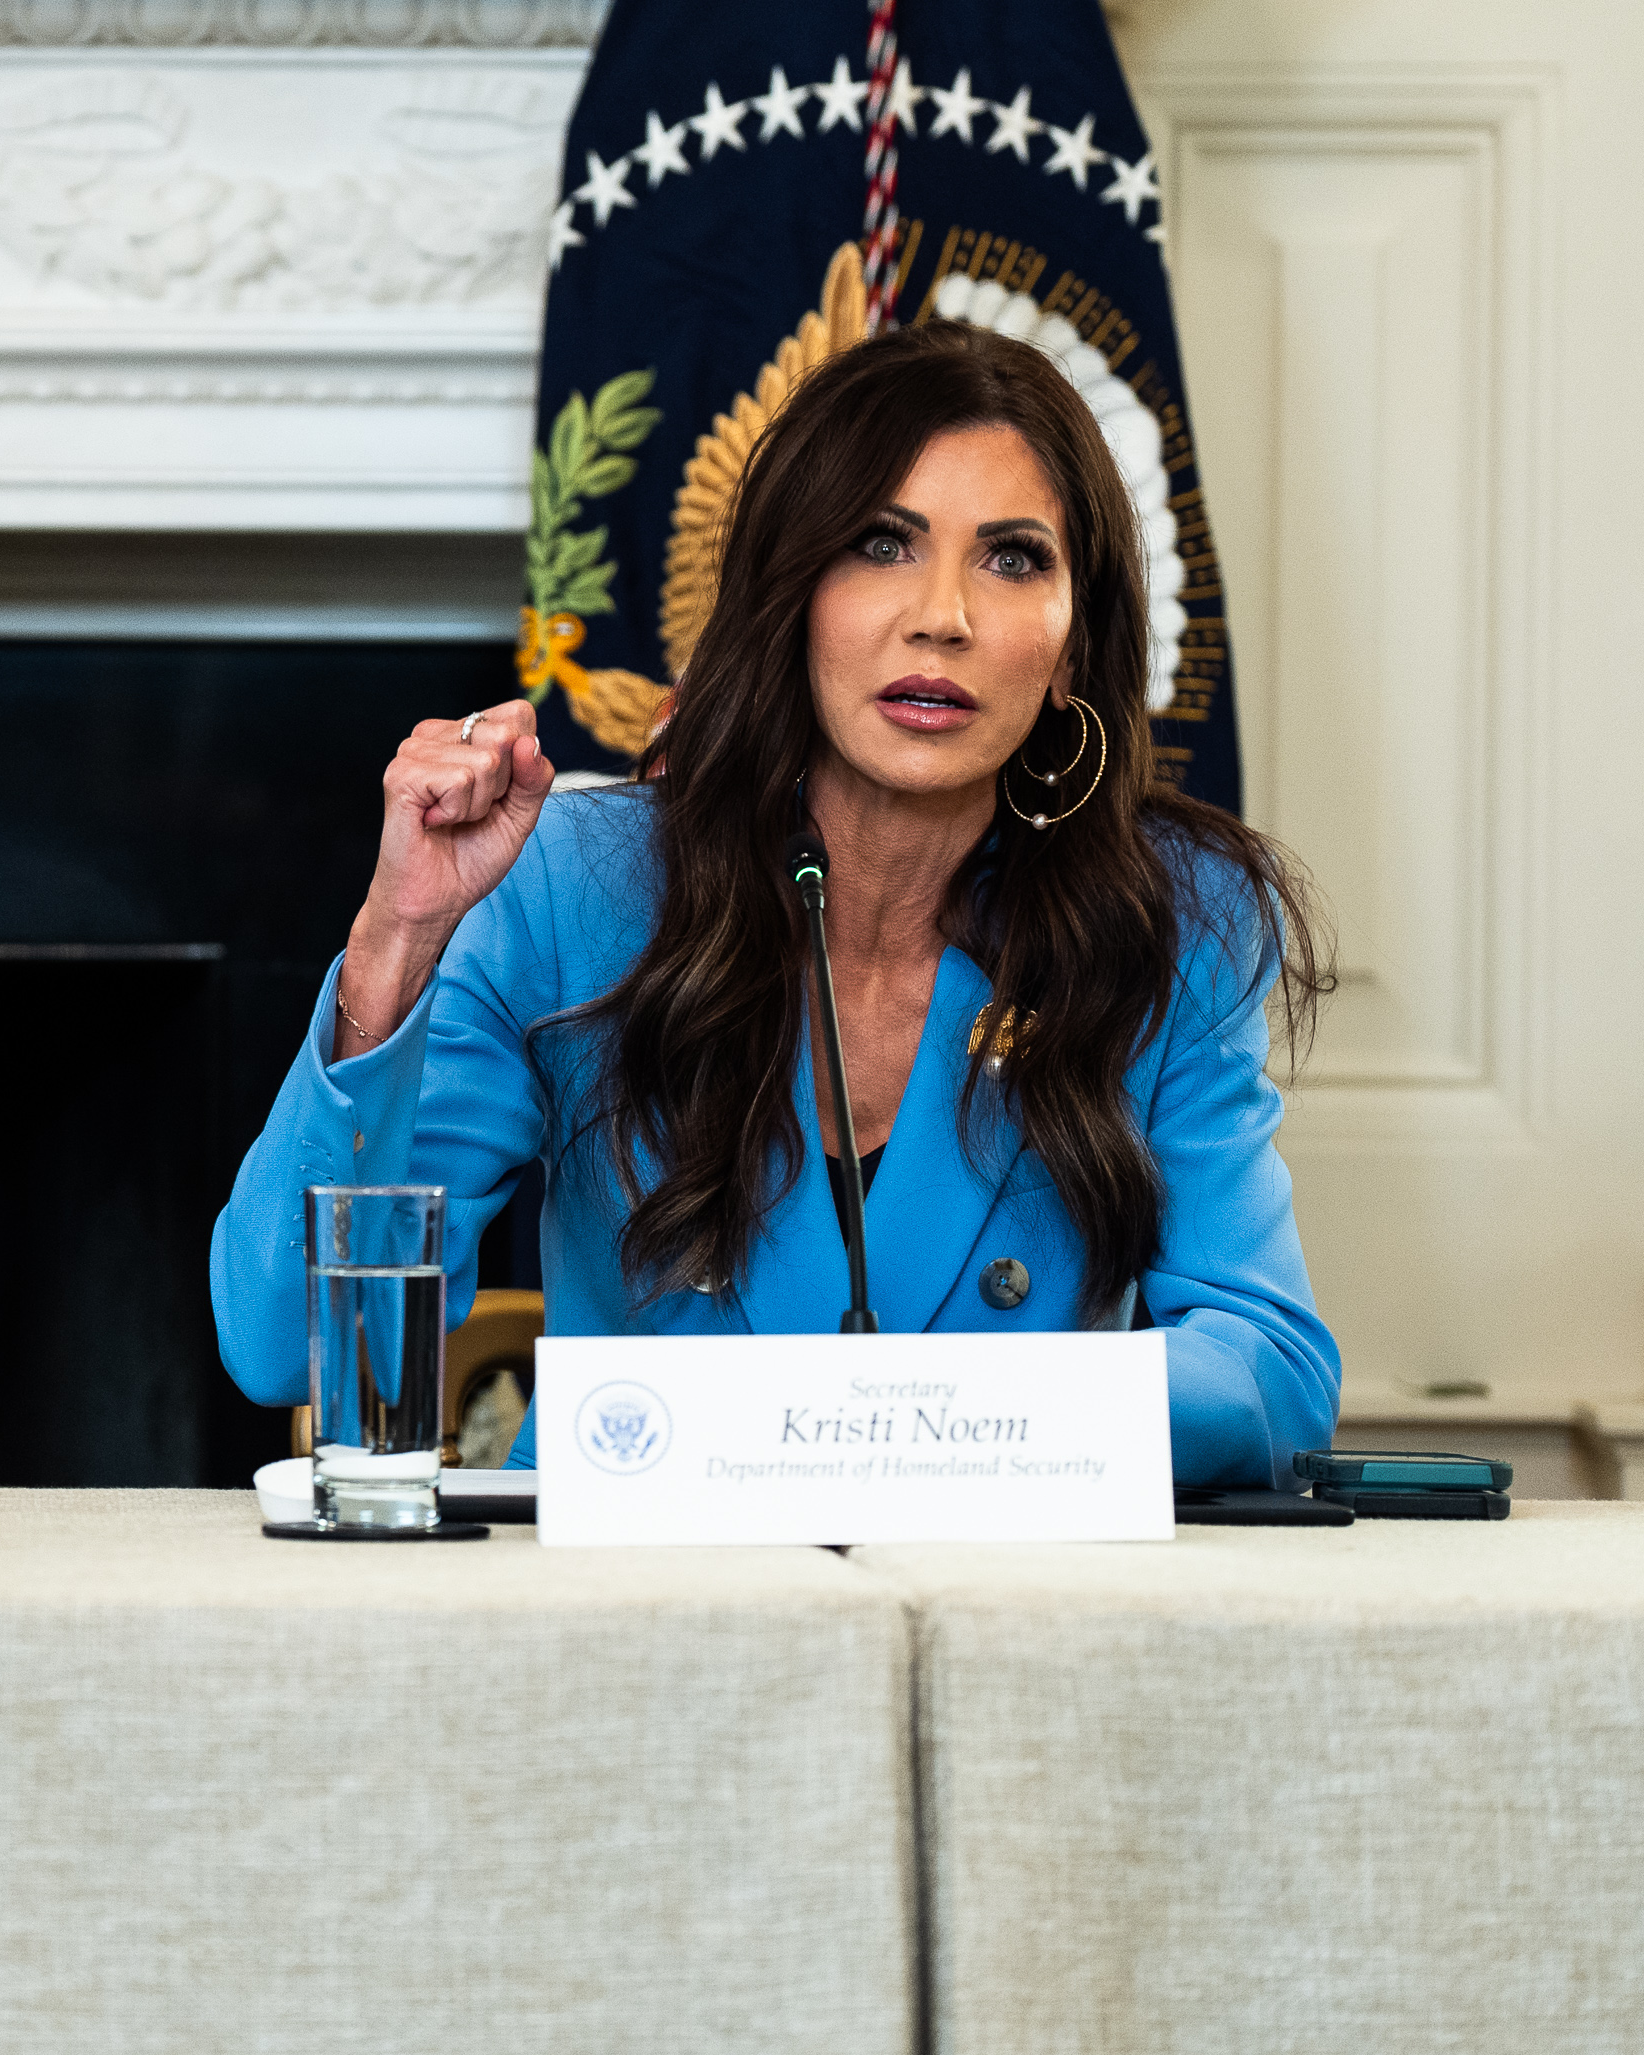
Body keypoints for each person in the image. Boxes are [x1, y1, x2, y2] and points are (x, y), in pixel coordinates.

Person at [209, 321, 1339, 1484]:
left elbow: (1269, 1366)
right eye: (882, 544)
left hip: (996, 1611)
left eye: (1011, 558)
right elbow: (281, 1345)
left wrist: (959, 1428)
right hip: (633, 1610)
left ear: (1069, 646)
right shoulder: (574, 888)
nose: (941, 614)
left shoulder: (1172, 919)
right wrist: (396, 941)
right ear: (791, 592)